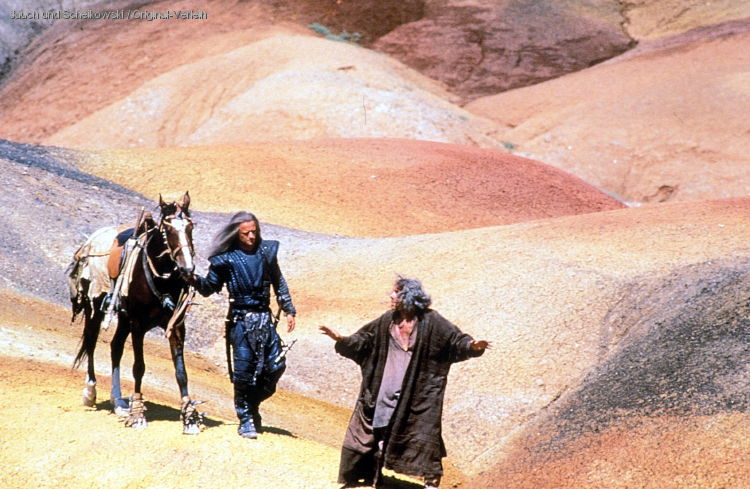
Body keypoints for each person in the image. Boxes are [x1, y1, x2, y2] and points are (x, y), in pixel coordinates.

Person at [319, 276, 491, 488]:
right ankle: (372, 474)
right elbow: (364, 339)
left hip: (418, 392)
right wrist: (341, 339)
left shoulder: (431, 320)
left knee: (425, 431)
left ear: (408, 296)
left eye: (396, 292)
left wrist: (472, 346)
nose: (391, 296)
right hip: (385, 387)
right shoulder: (388, 320)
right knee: (378, 428)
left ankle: (431, 480)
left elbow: (454, 340)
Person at [185, 211, 296, 439]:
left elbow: (278, 280)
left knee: (275, 366)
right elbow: (208, 288)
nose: (252, 236)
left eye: (254, 231)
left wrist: (288, 309)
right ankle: (245, 419)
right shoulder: (225, 259)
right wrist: (191, 279)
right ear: (236, 234)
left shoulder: (266, 251)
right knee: (244, 373)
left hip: (265, 320)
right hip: (240, 322)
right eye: (246, 233)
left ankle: (252, 404)